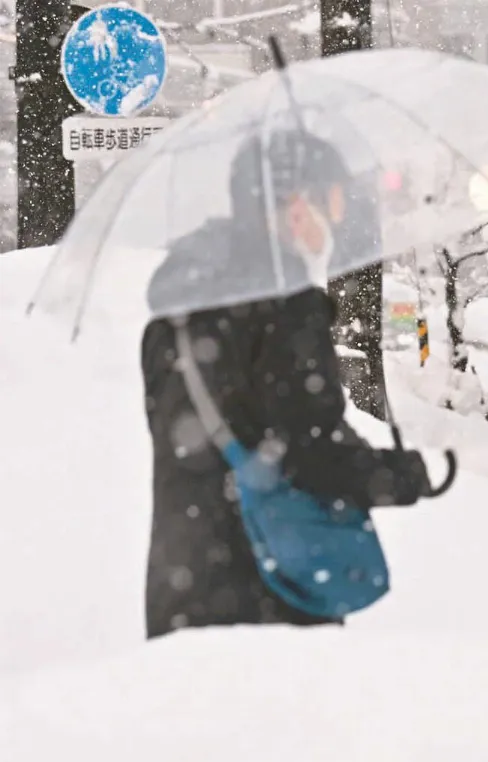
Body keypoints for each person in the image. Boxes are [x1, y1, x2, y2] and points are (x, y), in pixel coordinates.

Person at [140, 129, 453, 639]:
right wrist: (397, 475)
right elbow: (309, 448)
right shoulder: (285, 307)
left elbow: (228, 440)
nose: (334, 221)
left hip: (184, 587)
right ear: (295, 205)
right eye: (331, 202)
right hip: (270, 586)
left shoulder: (171, 317)